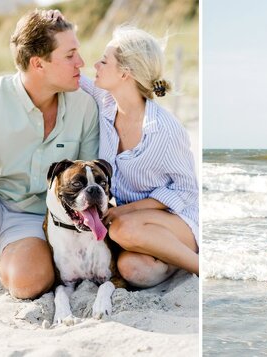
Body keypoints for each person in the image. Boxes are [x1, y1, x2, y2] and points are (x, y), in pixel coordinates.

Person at [0, 10, 99, 299]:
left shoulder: (84, 106)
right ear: (38, 64)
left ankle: (14, 259)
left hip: (40, 223)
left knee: (27, 283)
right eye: (70, 55)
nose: (81, 63)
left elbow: (89, 179)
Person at [79, 25, 199, 288]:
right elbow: (69, 76)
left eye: (104, 60)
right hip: (134, 227)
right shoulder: (106, 102)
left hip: (178, 223)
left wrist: (125, 210)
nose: (95, 65)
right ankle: (168, 259)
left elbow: (187, 190)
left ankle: (202, 268)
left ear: (125, 73)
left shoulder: (165, 130)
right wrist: (50, 23)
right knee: (131, 269)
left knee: (122, 229)